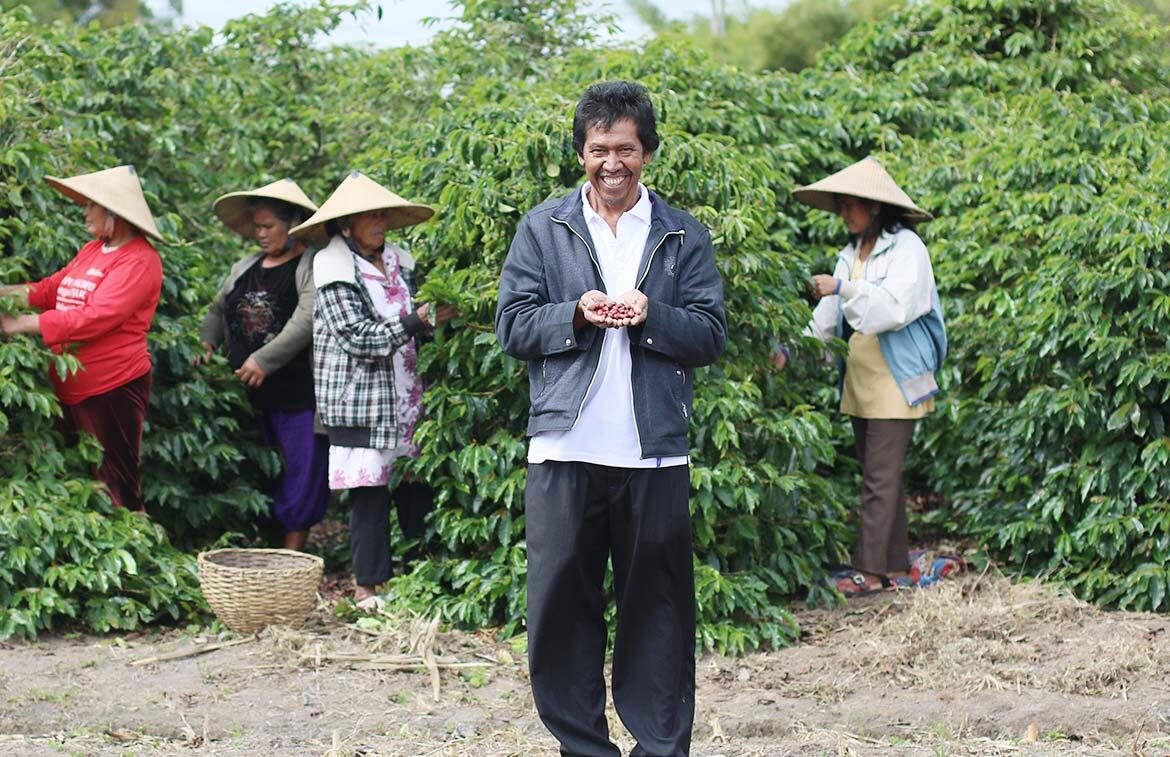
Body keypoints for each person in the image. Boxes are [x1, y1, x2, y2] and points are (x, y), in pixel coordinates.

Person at [496, 81, 727, 757]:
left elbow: (711, 333)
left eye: (626, 148)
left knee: (659, 612)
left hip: (654, 454)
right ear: (581, 153)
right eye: (599, 148)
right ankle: (583, 748)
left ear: (648, 152)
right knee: (561, 611)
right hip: (564, 450)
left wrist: (654, 314)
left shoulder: (684, 233)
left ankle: (659, 747)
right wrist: (577, 313)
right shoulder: (545, 226)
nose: (612, 162)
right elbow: (511, 325)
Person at [290, 171, 453, 610]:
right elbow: (357, 337)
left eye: (382, 213)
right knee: (368, 490)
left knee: (414, 487)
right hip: (361, 399)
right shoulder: (333, 267)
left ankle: (422, 577)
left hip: (407, 393)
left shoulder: (402, 263)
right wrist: (419, 319)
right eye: (369, 215)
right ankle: (368, 587)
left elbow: (422, 325)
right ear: (346, 224)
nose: (379, 221)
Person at [797, 156, 947, 595]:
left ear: (874, 206)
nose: (844, 213)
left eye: (850, 205)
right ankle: (894, 564)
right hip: (861, 381)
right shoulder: (849, 256)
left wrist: (842, 289)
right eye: (841, 205)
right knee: (880, 473)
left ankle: (871, 571)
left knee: (879, 478)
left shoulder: (907, 250)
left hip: (897, 381)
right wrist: (795, 350)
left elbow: (896, 308)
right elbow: (827, 321)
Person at [0, 165, 163, 512]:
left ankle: (133, 548)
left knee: (115, 483)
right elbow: (50, 290)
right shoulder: (92, 250)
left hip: (111, 386)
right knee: (79, 479)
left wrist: (20, 324)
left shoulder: (140, 261)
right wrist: (6, 294)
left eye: (92, 205)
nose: (85, 212)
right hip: (70, 383)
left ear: (115, 213)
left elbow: (95, 318)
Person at [197, 178, 329, 550]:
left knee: (300, 470)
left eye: (268, 226)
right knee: (262, 472)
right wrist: (207, 341)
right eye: (257, 226)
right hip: (247, 394)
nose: (260, 234)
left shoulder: (310, 264)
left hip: (297, 393)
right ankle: (264, 549)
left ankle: (292, 555)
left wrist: (264, 360)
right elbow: (217, 307)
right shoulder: (245, 265)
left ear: (293, 223)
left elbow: (307, 317)